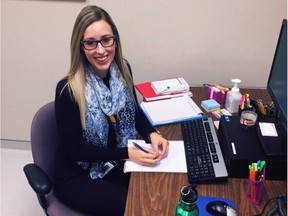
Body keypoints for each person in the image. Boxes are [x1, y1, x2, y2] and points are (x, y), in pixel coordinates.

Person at [54, 5, 169, 216]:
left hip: (112, 159)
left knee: (158, 189)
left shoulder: (122, 69)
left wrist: (152, 133)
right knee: (137, 205)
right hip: (78, 174)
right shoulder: (68, 90)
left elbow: (133, 110)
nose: (101, 50)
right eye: (90, 43)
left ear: (114, 39)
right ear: (80, 47)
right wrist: (127, 154)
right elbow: (76, 151)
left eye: (106, 40)